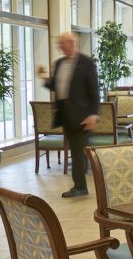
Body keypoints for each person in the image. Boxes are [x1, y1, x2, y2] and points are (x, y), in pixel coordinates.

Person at [39, 33, 100, 198]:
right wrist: (45, 79)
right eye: (59, 44)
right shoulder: (58, 63)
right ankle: (81, 184)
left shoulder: (86, 63)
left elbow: (94, 90)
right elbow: (57, 86)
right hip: (65, 114)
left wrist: (94, 114)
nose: (60, 46)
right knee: (77, 149)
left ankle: (80, 186)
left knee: (79, 150)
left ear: (72, 43)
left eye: (62, 43)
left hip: (82, 114)